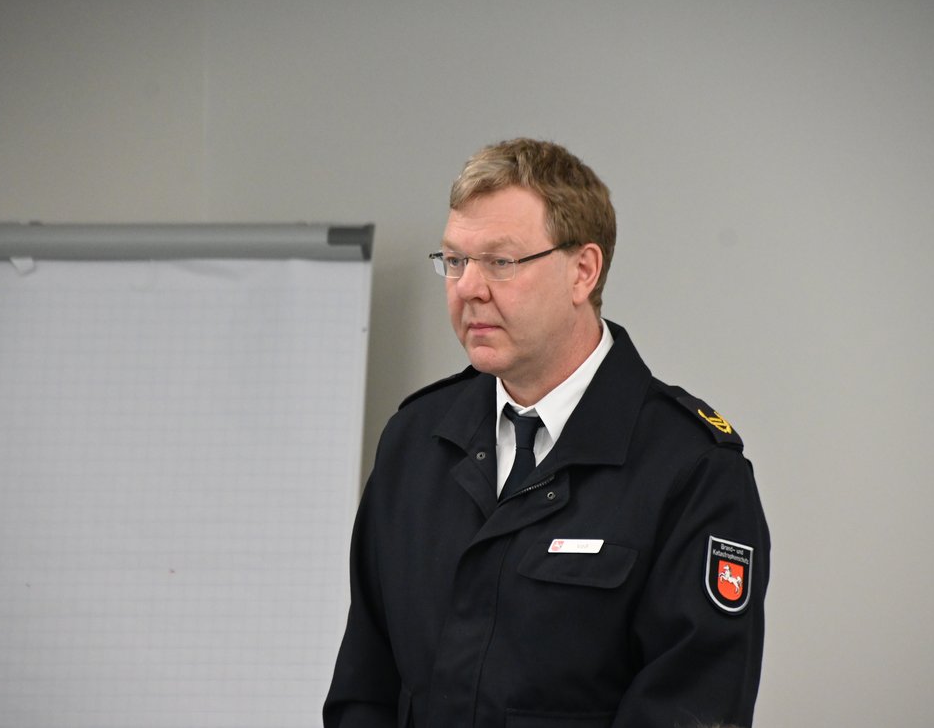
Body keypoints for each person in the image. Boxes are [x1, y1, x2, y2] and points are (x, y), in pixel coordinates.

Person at [324, 138, 770, 727]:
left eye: (500, 262)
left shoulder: (692, 470)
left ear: (583, 271)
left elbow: (691, 708)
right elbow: (365, 685)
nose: (468, 287)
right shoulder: (415, 439)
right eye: (455, 260)